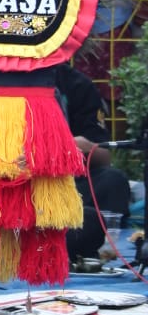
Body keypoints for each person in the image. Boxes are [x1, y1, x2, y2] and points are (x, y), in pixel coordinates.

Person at [55, 64, 132, 261]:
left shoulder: (75, 83)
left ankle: (70, 238)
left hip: (65, 185)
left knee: (113, 181)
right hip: (12, 184)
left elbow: (104, 156)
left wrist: (81, 146)